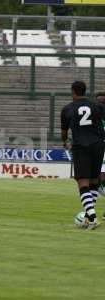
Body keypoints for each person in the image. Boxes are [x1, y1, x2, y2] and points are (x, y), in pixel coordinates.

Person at [61, 81, 105, 229]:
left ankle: (92, 218)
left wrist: (65, 142)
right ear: (85, 91)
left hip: (81, 146)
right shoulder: (97, 106)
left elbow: (64, 132)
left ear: (73, 91)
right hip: (98, 146)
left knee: (82, 182)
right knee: (94, 181)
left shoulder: (67, 109)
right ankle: (88, 215)